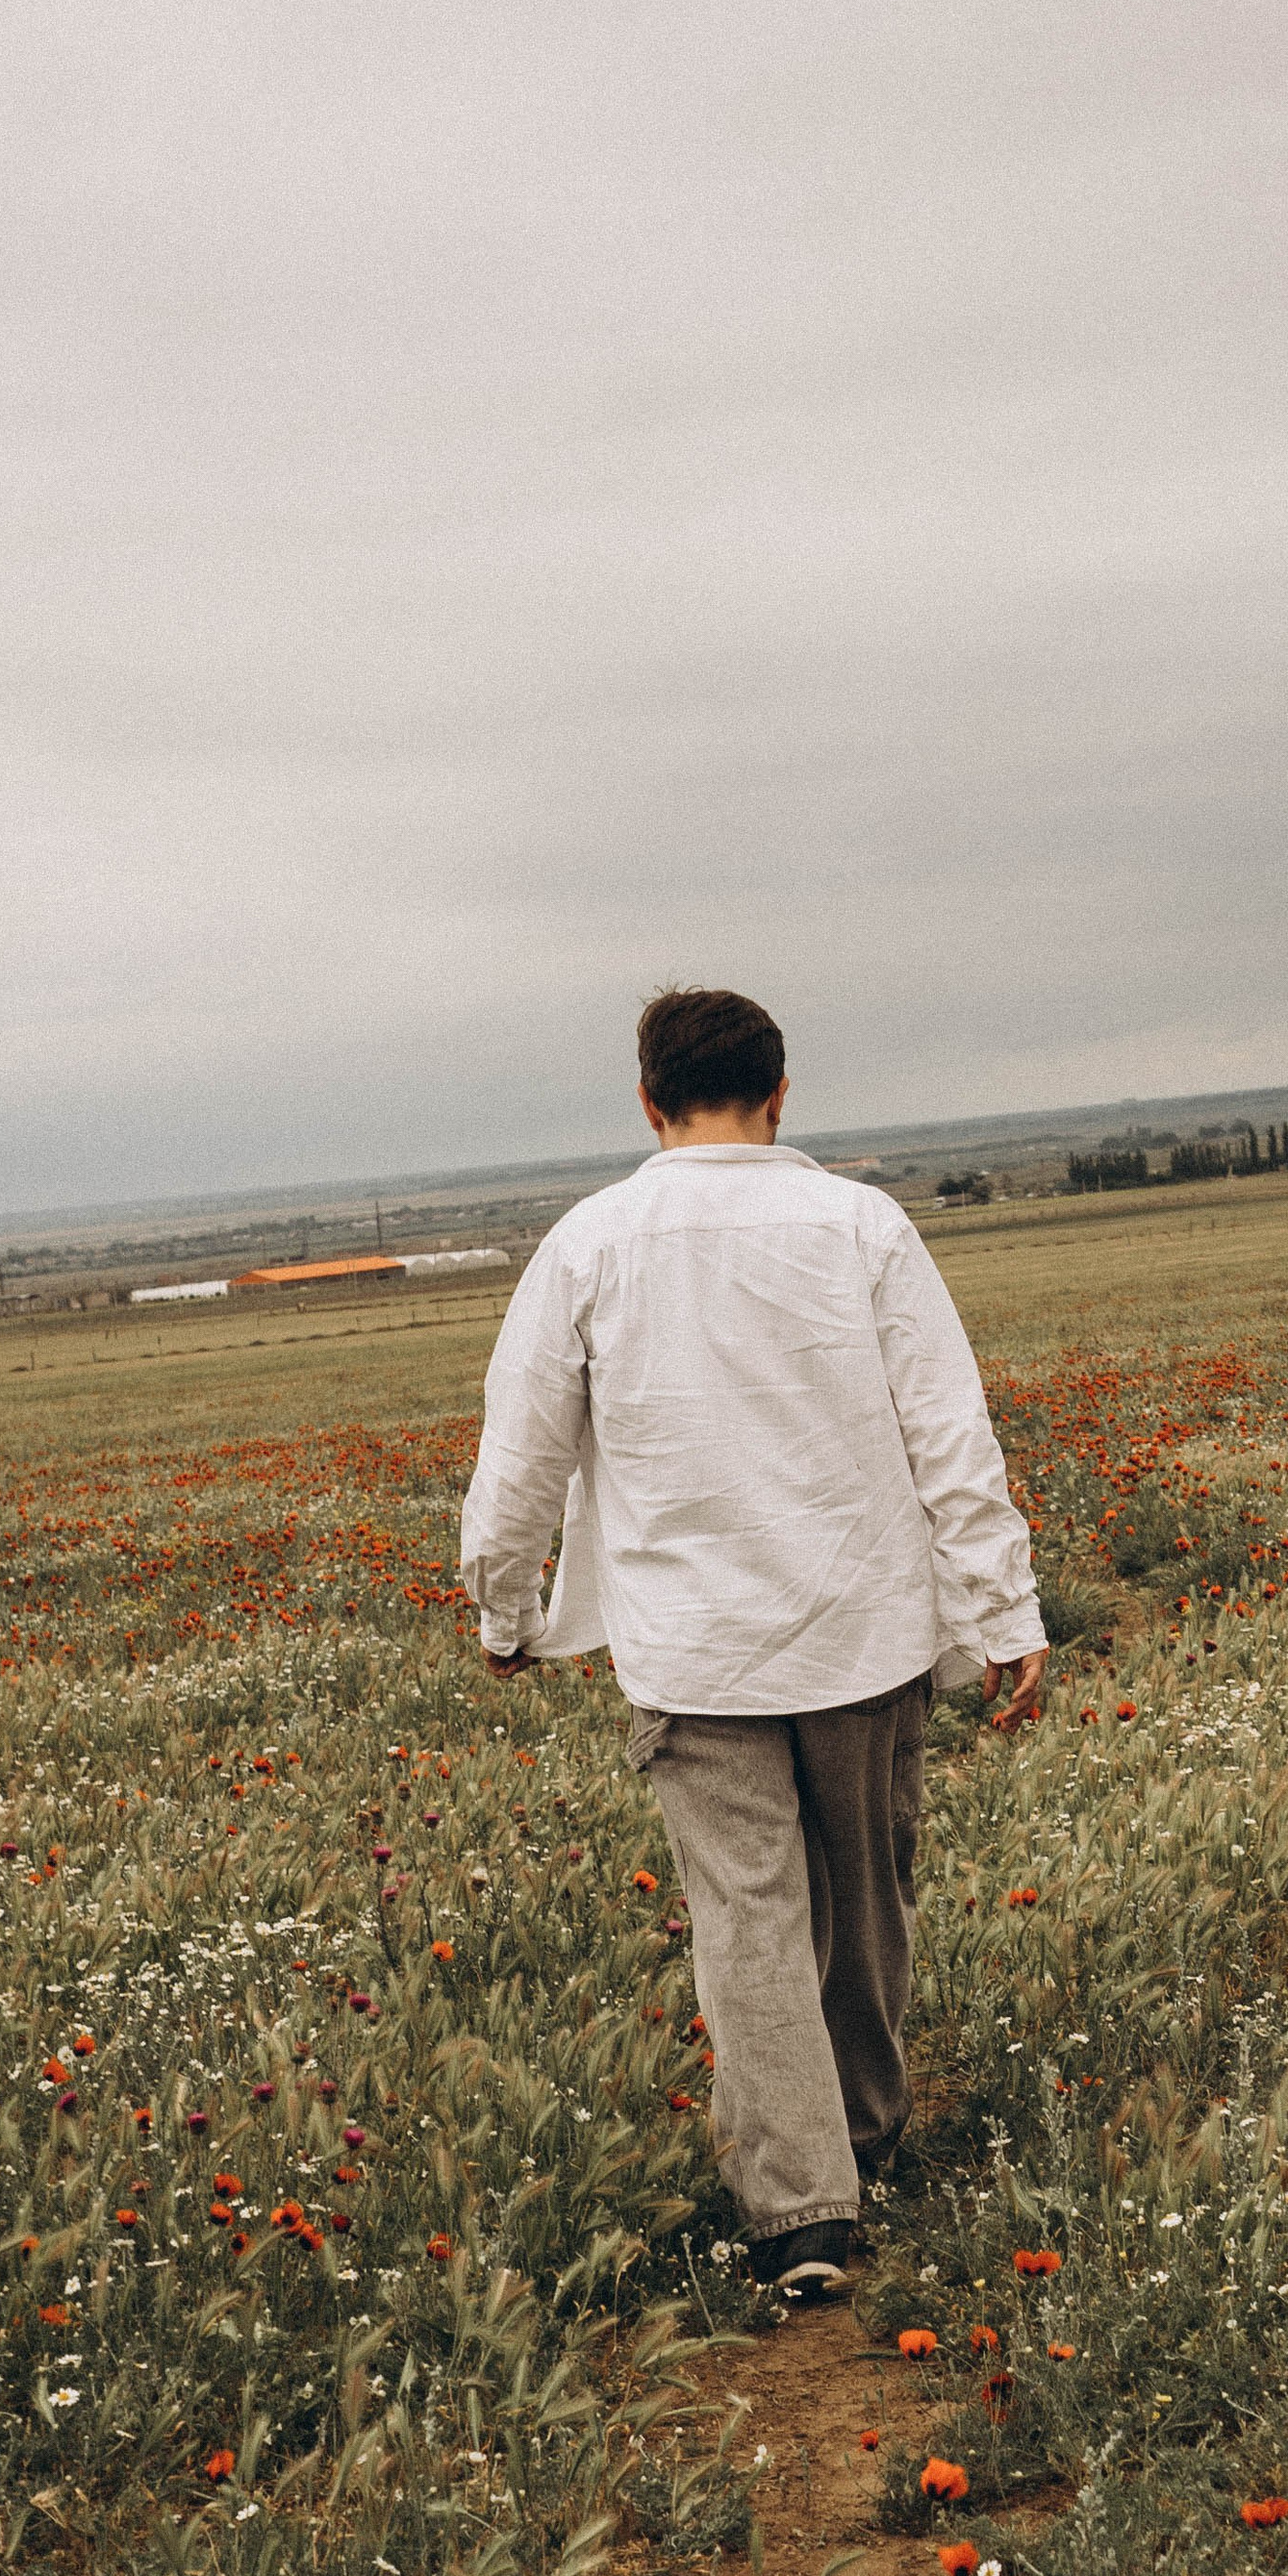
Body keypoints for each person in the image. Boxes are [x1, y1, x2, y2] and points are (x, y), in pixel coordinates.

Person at [457, 986, 1048, 2305]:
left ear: (650, 1102)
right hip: (866, 1627)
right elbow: (949, 1429)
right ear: (781, 1094)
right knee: (866, 1899)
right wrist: (1002, 1608)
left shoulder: (588, 1244)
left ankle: (800, 2214)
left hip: (694, 1652)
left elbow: (520, 1459)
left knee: (748, 1923)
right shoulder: (862, 1225)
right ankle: (863, 2143)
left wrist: (507, 1609)